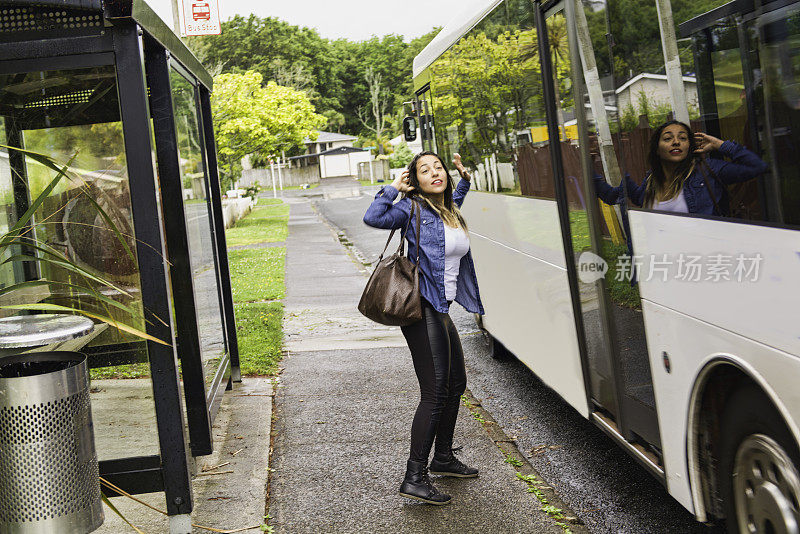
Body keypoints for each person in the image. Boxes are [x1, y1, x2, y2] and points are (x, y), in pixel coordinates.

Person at [363, 151, 484, 505]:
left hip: (441, 308)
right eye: (424, 170)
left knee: (455, 383)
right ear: (415, 179)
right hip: (422, 307)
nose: (434, 173)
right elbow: (373, 217)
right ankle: (414, 477)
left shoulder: (448, 209)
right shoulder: (410, 207)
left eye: (438, 168)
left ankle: (443, 457)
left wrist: (465, 177)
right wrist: (392, 189)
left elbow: (457, 194)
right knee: (434, 393)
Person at [593, 120, 768, 215]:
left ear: (689, 146)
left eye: (683, 138)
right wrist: (589, 170)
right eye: (668, 138)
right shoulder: (651, 180)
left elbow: (756, 167)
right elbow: (613, 196)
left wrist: (720, 145)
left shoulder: (708, 170)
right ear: (657, 149)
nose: (676, 141)